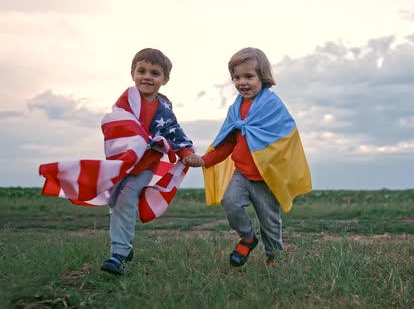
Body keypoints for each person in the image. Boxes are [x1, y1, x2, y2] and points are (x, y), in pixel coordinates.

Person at [187, 47, 312, 267]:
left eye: (248, 76)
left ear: (262, 77)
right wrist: (205, 160)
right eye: (236, 77)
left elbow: (285, 139)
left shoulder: (272, 106)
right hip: (242, 173)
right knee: (230, 202)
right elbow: (227, 143)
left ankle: (275, 259)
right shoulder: (235, 110)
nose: (242, 82)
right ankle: (247, 237)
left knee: (270, 222)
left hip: (266, 178)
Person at [99, 48, 201, 275]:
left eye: (155, 73)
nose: (147, 77)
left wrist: (187, 153)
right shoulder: (127, 100)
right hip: (123, 162)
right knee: (115, 201)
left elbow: (176, 134)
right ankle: (126, 242)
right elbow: (119, 123)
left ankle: (119, 255)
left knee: (125, 200)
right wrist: (134, 138)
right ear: (132, 73)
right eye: (141, 71)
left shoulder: (164, 109)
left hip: (146, 166)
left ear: (165, 79)